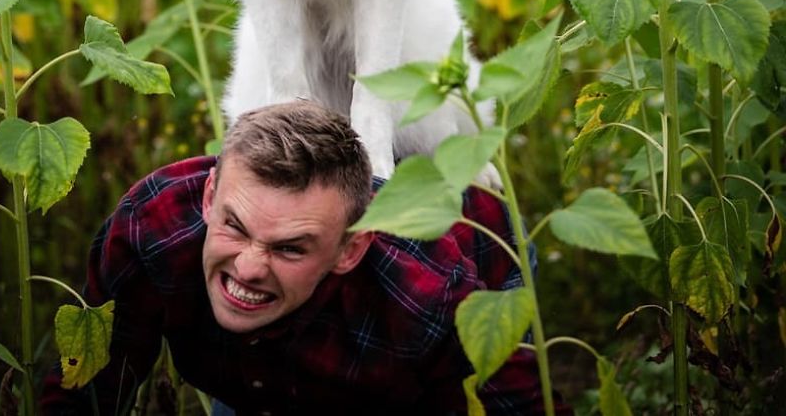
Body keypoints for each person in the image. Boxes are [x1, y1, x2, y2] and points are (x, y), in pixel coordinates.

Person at [40, 101, 571, 415]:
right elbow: (88, 387)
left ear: (350, 248)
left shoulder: (426, 298)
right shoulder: (153, 228)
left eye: (289, 247)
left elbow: (518, 405)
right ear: (209, 197)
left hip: (475, 253)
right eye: (235, 227)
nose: (248, 267)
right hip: (259, 361)